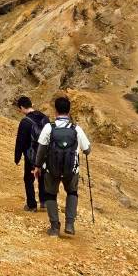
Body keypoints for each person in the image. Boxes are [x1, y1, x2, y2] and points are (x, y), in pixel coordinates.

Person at [33, 95, 92, 237]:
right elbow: (88, 150)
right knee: (72, 193)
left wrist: (37, 166)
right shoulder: (76, 128)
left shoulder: (49, 127)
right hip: (72, 169)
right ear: (69, 111)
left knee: (50, 195)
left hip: (51, 169)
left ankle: (54, 227)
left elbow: (41, 149)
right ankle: (70, 224)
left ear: (56, 111)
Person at [13, 96, 49, 211]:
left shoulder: (25, 122)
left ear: (22, 107)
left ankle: (31, 205)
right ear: (31, 104)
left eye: (20, 109)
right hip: (44, 155)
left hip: (30, 156)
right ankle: (44, 202)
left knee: (29, 179)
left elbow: (20, 141)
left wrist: (17, 157)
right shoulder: (45, 118)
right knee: (42, 177)